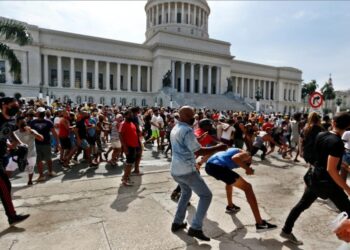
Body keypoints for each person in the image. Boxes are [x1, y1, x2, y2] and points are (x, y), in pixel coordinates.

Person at [281, 112, 350, 245]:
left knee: (302, 205)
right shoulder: (337, 143)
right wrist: (347, 188)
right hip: (328, 183)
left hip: (314, 177)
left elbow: (322, 157)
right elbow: (331, 169)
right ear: (347, 126)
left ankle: (286, 230)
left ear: (333, 123)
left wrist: (341, 163)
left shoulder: (321, 135)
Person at [170, 106, 227, 241]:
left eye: (194, 116)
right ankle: (195, 227)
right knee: (206, 195)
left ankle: (177, 223)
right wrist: (219, 147)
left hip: (176, 170)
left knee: (186, 193)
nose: (193, 119)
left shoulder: (175, 128)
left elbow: (186, 146)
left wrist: (198, 140)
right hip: (187, 170)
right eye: (190, 116)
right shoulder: (187, 130)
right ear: (183, 116)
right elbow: (198, 152)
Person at [205, 148, 277, 231]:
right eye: (248, 162)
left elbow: (229, 179)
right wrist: (247, 169)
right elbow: (236, 158)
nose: (247, 162)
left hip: (209, 166)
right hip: (218, 167)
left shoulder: (230, 151)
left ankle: (230, 206)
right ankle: (260, 223)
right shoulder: (246, 154)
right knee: (248, 188)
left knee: (229, 181)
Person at [0, 97, 30, 225]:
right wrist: (7, 144)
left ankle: (11, 216)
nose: (16, 107)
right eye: (14, 105)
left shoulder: (12, 120)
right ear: (4, 105)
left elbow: (10, 132)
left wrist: (18, 142)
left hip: (1, 157)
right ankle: (12, 216)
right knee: (4, 187)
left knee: (6, 186)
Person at [30, 107, 59, 182]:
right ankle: (46, 173)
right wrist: (57, 144)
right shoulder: (45, 122)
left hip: (42, 144)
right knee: (44, 159)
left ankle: (45, 174)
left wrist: (57, 144)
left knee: (43, 159)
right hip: (40, 144)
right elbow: (54, 133)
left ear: (38, 113)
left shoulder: (34, 122)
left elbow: (54, 133)